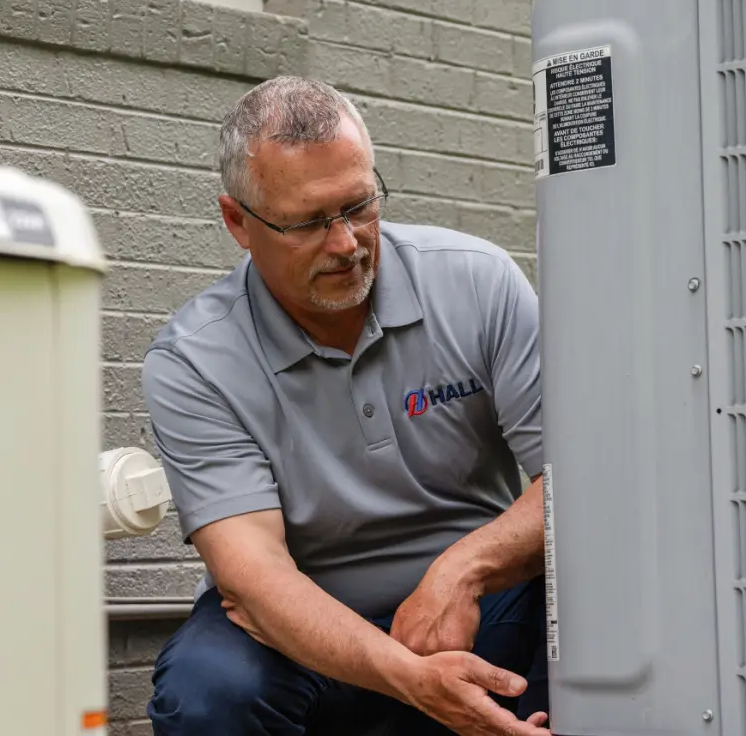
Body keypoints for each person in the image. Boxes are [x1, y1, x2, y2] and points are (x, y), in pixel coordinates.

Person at [141, 76, 550, 736]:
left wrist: (463, 568)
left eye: (359, 205)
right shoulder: (194, 360)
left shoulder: (478, 284)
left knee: (596, 598)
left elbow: (573, 486)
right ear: (237, 222)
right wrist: (410, 676)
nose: (346, 243)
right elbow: (255, 578)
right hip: (303, 629)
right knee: (208, 693)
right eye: (308, 221)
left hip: (479, 609)